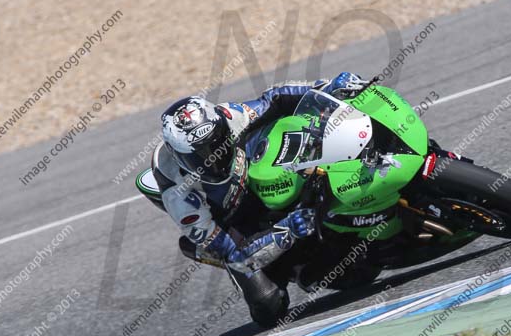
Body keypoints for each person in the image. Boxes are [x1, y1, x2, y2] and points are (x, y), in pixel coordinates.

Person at [152, 72, 367, 322]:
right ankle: (296, 267)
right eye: (200, 156)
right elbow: (230, 251)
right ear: (177, 155)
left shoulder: (229, 117)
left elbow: (274, 98)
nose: (214, 158)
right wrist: (285, 231)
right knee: (268, 306)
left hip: (257, 176)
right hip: (232, 225)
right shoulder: (178, 194)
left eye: (217, 144)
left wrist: (327, 87)